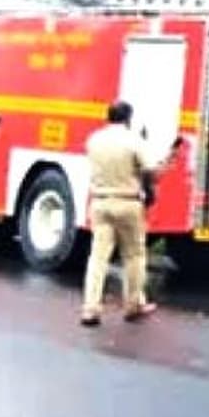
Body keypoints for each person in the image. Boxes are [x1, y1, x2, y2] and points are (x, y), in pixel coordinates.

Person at [81, 100, 163, 327]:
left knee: (98, 257)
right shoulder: (134, 140)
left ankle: (90, 309)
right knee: (134, 255)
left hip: (100, 202)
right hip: (128, 203)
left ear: (108, 117)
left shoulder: (94, 140)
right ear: (128, 118)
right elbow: (151, 172)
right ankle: (133, 305)